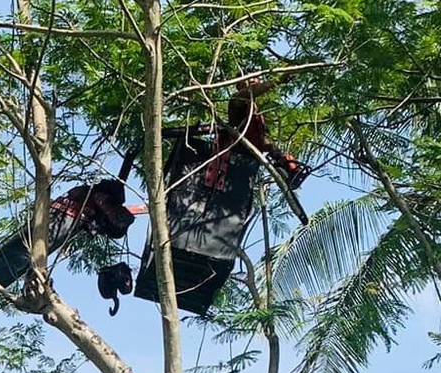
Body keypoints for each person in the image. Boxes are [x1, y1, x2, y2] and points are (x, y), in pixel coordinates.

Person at [126, 77, 306, 318]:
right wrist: (279, 79)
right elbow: (244, 96)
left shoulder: (255, 120)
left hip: (237, 179)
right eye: (251, 81)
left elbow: (264, 144)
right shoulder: (239, 105)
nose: (254, 84)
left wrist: (282, 160)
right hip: (221, 174)